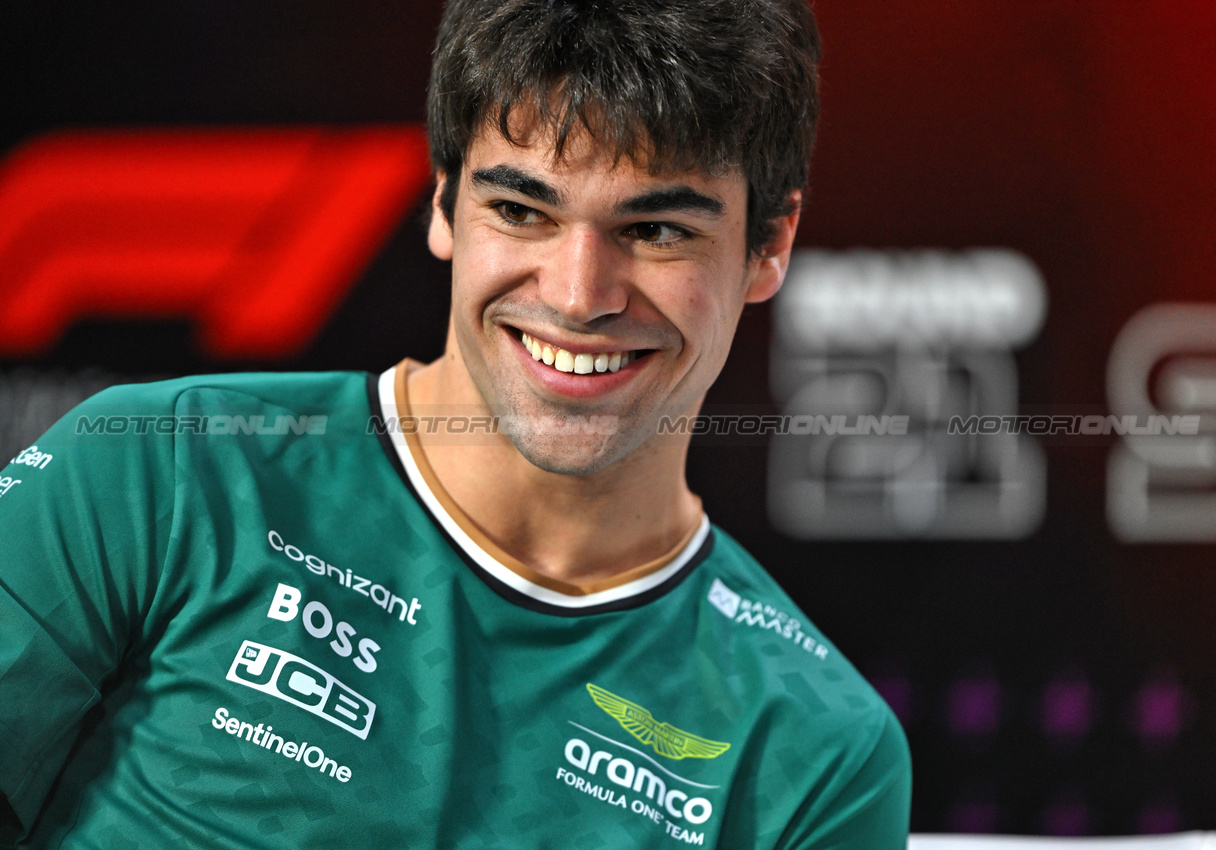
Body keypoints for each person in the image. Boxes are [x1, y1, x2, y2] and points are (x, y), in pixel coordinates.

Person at [0, 0, 911, 846]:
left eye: (657, 230)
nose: (576, 296)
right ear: (444, 204)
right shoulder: (156, 476)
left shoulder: (816, 749)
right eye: (521, 211)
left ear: (771, 245)